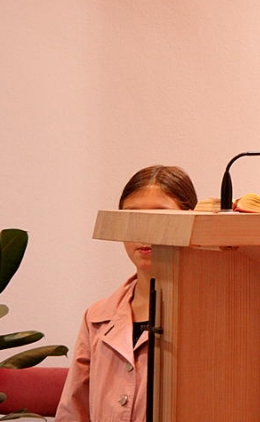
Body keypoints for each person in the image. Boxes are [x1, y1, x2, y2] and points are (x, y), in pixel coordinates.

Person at [55, 165, 198, 422]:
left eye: (159, 217)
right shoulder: (96, 317)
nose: (144, 232)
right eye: (133, 217)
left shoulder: (211, 315)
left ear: (190, 220)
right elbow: (73, 412)